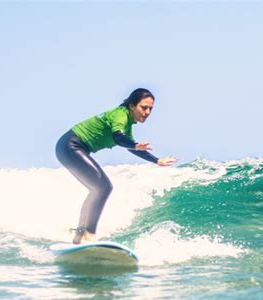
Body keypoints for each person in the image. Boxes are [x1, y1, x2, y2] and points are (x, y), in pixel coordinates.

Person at [55, 88, 179, 244]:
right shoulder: (120, 115)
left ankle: (80, 234)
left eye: (150, 109)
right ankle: (88, 234)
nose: (147, 112)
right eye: (144, 107)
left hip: (69, 147)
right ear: (132, 106)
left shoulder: (127, 123)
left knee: (97, 189)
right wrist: (135, 145)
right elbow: (118, 138)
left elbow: (131, 147)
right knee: (103, 188)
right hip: (71, 146)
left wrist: (156, 160)